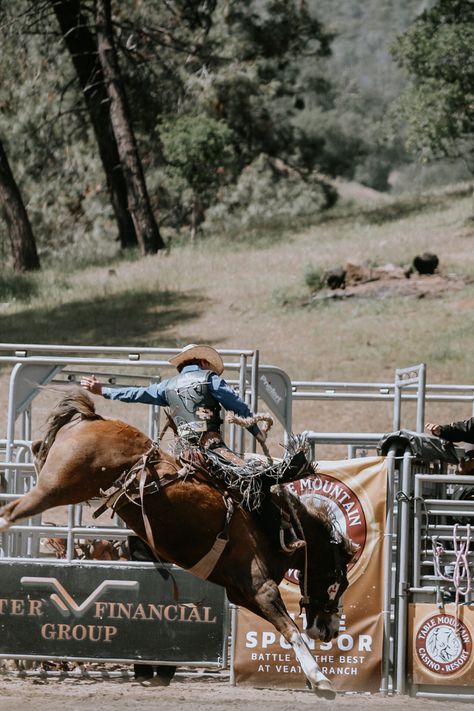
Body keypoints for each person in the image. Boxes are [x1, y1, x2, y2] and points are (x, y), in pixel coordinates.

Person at [80, 343, 305, 553]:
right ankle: (282, 535)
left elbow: (136, 394)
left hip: (182, 455)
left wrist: (104, 391)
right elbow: (236, 405)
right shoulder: (210, 380)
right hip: (212, 450)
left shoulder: (167, 386)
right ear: (203, 362)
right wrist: (257, 431)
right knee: (253, 480)